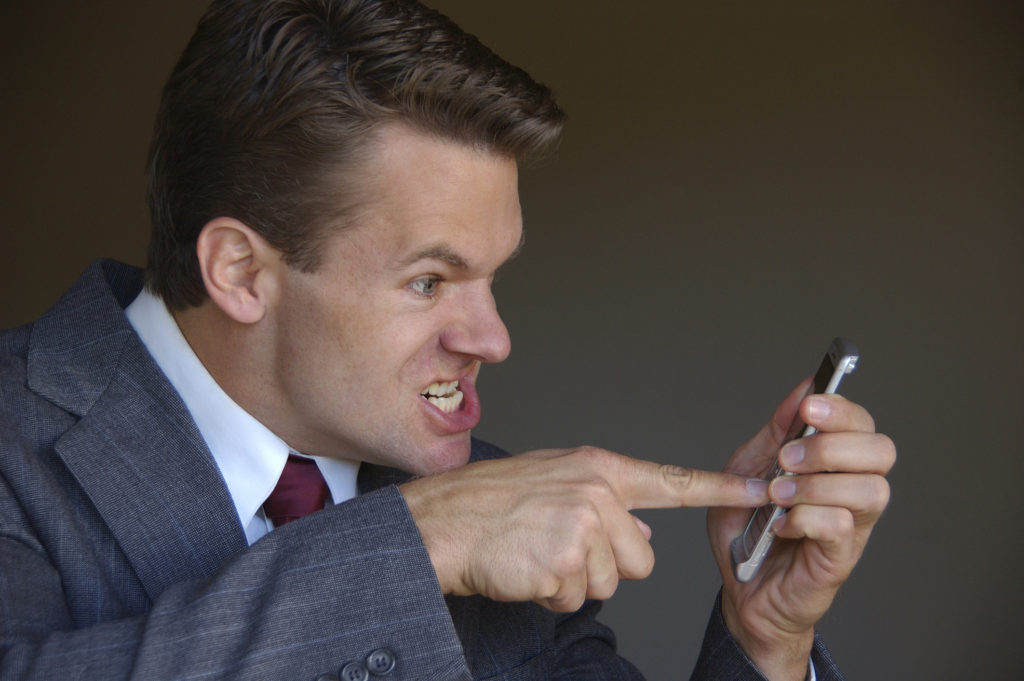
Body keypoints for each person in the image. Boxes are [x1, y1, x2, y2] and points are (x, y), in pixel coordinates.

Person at [0, 1, 895, 679]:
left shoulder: (489, 498)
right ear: (239, 271)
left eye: (492, 275)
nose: (495, 338)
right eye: (430, 281)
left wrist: (764, 636)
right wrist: (416, 546)